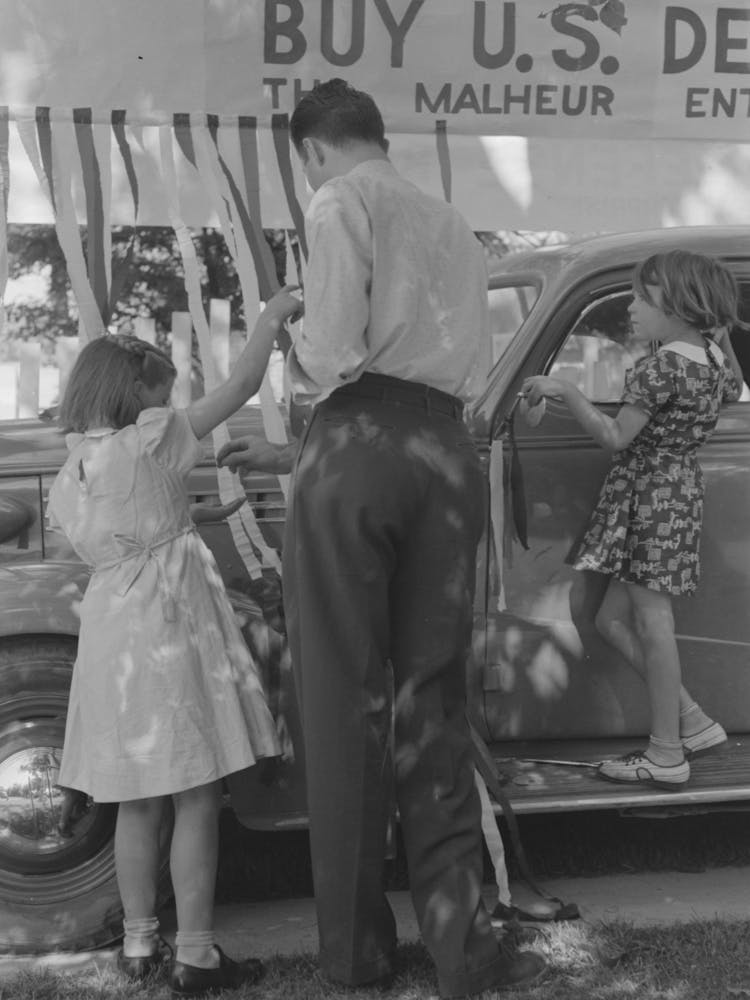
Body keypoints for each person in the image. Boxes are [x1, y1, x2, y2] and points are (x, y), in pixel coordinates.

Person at [218, 78, 546, 996]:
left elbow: (332, 347)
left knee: (341, 700)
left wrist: (285, 337)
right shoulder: (452, 223)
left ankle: (356, 957)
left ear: (312, 148)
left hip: (359, 441)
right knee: (433, 701)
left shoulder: (337, 200)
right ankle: (463, 952)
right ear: (375, 133)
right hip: (447, 447)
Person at [46, 285, 302, 996]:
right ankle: (197, 954)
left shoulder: (76, 466)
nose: (171, 399)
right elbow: (245, 383)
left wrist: (183, 512)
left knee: (136, 797)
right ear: (139, 394)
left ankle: (137, 944)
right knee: (195, 788)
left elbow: (116, 536)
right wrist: (273, 316)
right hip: (171, 620)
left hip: (113, 628)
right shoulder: (156, 435)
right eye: (163, 388)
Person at [523, 250, 745, 789]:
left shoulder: (663, 364)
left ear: (677, 302)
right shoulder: (712, 359)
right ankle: (691, 721)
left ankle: (667, 753)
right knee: (610, 619)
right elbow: (734, 389)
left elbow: (615, 437)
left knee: (651, 622)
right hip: (675, 491)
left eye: (645, 297)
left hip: (648, 495)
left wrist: (566, 390)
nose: (634, 306)